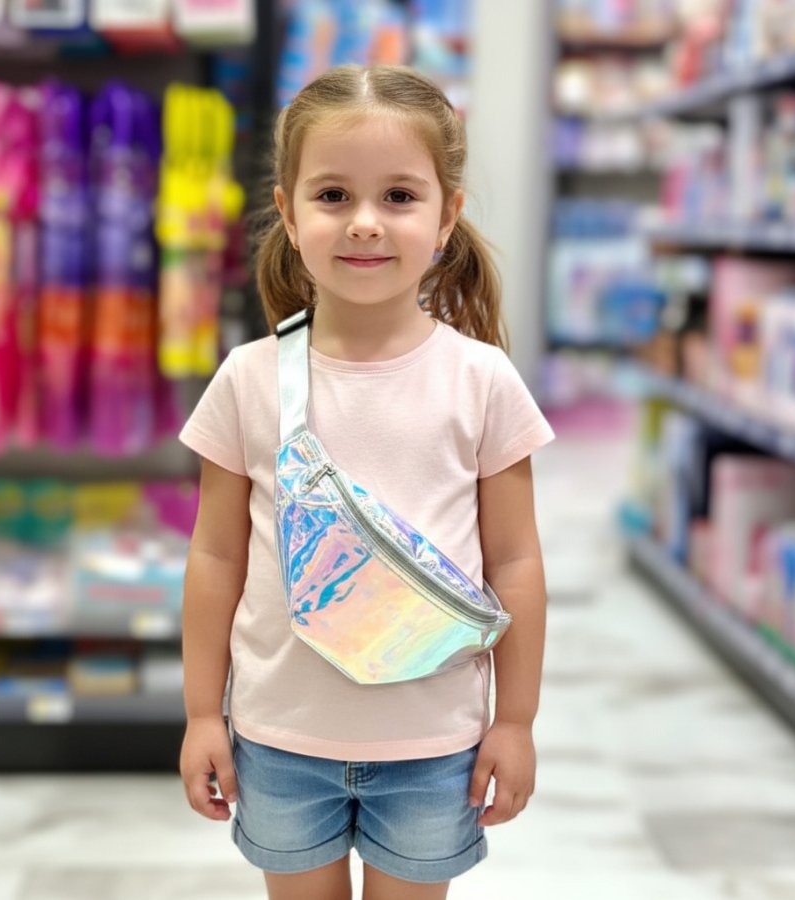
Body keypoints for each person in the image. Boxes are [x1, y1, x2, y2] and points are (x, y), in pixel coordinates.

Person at [178, 64, 555, 900]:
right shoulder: (248, 380)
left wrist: (516, 720)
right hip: (278, 738)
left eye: (399, 196)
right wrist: (204, 712)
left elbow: (516, 562)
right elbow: (215, 557)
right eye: (333, 195)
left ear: (447, 216)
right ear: (288, 212)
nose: (365, 223)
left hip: (435, 746)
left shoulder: (483, 381)